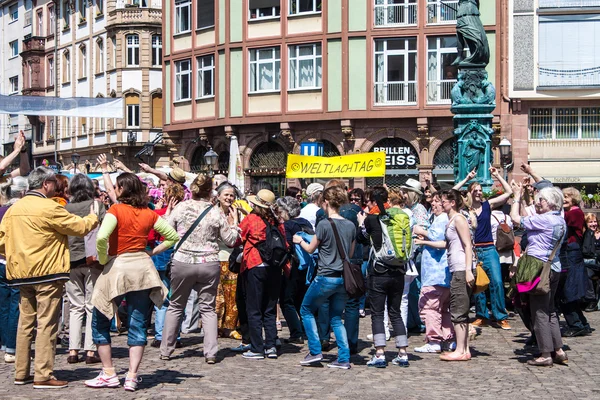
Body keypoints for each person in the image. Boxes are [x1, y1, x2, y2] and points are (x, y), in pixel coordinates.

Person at [0, 167, 98, 388]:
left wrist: (17, 254)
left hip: (21, 273)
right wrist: (93, 215)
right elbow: (79, 227)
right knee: (46, 324)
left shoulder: (14, 209)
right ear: (46, 184)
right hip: (47, 273)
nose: (57, 186)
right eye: (54, 182)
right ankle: (43, 375)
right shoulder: (49, 207)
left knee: (25, 324)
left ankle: (21, 372)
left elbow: (1, 241)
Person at [86, 173, 179, 392]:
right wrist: (152, 251)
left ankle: (109, 372)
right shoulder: (149, 213)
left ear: (121, 189)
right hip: (142, 268)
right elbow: (173, 236)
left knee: (100, 317)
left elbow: (101, 237)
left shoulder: (116, 210)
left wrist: (102, 258)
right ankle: (132, 375)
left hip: (118, 267)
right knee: (138, 323)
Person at [160, 175, 240, 363]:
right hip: (208, 262)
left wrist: (167, 213)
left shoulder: (181, 207)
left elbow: (165, 231)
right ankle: (211, 352)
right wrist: (234, 225)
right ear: (210, 192)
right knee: (208, 309)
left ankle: (166, 349)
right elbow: (230, 240)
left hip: (183, 261)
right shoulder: (215, 212)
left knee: (176, 306)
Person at [293, 186, 356, 369]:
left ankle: (315, 351)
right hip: (342, 278)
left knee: (306, 310)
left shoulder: (323, 224)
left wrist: (300, 241)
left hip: (325, 276)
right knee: (336, 318)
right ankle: (343, 358)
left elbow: (311, 249)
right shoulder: (351, 225)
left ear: (326, 202)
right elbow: (350, 254)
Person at [509, 184, 568, 367]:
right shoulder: (559, 220)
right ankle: (558, 349)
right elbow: (529, 215)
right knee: (550, 311)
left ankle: (545, 354)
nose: (538, 202)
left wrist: (517, 196)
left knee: (540, 312)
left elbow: (515, 218)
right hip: (554, 267)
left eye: (541, 200)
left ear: (550, 203)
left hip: (539, 269)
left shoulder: (545, 221)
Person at [418, 189, 475, 361]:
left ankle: (461, 350)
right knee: (457, 308)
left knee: (458, 310)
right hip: (455, 268)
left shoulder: (458, 219)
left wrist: (467, 270)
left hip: (460, 268)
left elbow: (467, 245)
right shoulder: (451, 220)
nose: (441, 203)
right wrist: (424, 241)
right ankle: (462, 348)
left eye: (444, 200)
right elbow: (446, 243)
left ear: (453, 202)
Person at [453, 166, 513, 330]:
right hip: (473, 251)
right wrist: (466, 179)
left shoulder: (488, 205)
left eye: (480, 190)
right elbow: (453, 191)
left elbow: (508, 193)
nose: (479, 192)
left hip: (489, 249)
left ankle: (500, 316)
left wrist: (497, 176)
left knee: (497, 282)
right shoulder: (465, 208)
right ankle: (481, 316)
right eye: (476, 190)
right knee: (478, 284)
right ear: (470, 192)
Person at [358, 186, 411, 368]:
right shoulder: (398, 217)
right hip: (398, 271)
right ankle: (403, 353)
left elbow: (361, 238)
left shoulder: (372, 219)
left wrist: (361, 222)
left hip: (379, 272)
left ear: (373, 202)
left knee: (378, 314)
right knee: (395, 312)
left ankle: (380, 353)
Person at [238, 189, 285, 360]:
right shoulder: (277, 221)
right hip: (274, 267)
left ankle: (257, 348)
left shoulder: (251, 219)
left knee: (254, 308)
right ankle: (271, 346)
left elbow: (238, 238)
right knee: (270, 308)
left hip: (255, 264)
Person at [65, 174, 106, 365]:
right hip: (92, 260)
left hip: (71, 260)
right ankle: (90, 350)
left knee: (75, 306)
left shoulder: (65, 208)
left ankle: (73, 350)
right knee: (91, 306)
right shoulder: (97, 206)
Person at [413, 192, 454, 353]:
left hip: (435, 273)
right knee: (443, 309)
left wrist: (421, 234)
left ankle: (434, 340)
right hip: (442, 274)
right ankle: (448, 339)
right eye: (434, 202)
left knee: (429, 307)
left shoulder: (442, 219)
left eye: (438, 202)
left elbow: (439, 240)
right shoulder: (444, 218)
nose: (434, 205)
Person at [148, 184, 186, 348]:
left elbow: (150, 237)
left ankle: (159, 335)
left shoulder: (157, 214)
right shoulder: (185, 214)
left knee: (162, 299)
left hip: (160, 257)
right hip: (180, 257)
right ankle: (175, 336)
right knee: (177, 299)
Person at [277, 196, 313, 344]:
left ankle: (296, 333)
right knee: (301, 300)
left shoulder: (288, 226)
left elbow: (286, 246)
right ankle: (307, 330)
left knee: (287, 301)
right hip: (306, 266)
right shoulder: (305, 222)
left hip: (292, 266)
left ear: (285, 211)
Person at [0, 177, 28, 364]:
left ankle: (4, 344)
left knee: (3, 304)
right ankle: (11, 347)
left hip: (0, 260)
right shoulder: (21, 211)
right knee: (15, 305)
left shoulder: (1, 210)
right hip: (17, 261)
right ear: (23, 193)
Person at [559, 187, 590, 337]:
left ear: (574, 199)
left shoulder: (574, 212)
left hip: (571, 252)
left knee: (568, 290)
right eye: (563, 196)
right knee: (570, 290)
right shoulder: (572, 212)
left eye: (567, 197)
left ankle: (576, 324)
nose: (564, 199)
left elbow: (563, 220)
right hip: (571, 252)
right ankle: (582, 323)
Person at [214, 182, 243, 340]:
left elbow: (239, 237)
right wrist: (232, 225)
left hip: (232, 259)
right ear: (218, 196)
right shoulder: (213, 213)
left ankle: (230, 327)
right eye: (226, 194)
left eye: (231, 195)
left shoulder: (236, 212)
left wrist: (237, 221)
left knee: (233, 295)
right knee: (217, 296)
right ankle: (215, 327)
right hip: (216, 258)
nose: (229, 198)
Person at [582, 213, 600, 311]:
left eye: (595, 221)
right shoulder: (586, 234)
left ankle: (592, 299)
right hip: (590, 263)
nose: (593, 224)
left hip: (597, 263)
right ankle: (590, 299)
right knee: (586, 272)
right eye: (590, 222)